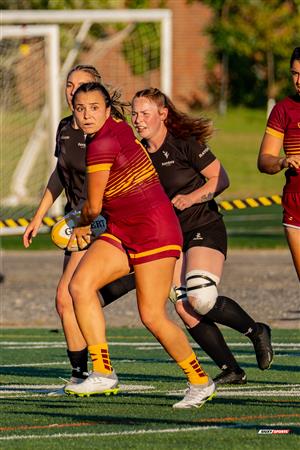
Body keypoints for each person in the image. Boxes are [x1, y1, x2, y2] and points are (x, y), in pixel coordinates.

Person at [65, 82, 217, 409]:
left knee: (151, 315)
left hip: (154, 230)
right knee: (79, 286)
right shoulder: (117, 127)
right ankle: (103, 371)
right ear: (73, 114)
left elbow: (92, 207)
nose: (87, 114)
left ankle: (200, 380)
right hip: (124, 229)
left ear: (107, 110)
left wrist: (77, 225)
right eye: (80, 108)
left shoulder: (103, 142)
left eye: (94, 107)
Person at [131, 88, 274, 384]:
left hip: (203, 227)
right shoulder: (138, 153)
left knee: (201, 297)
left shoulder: (184, 144)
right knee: (183, 307)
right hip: (170, 238)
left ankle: (256, 331)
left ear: (163, 114)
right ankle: (231, 369)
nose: (138, 120)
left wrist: (192, 197)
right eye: (134, 114)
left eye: (145, 113)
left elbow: (220, 178)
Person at [23, 65, 135, 395]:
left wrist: (87, 222)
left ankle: (93, 373)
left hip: (100, 221)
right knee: (69, 298)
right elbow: (60, 173)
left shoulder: (109, 131)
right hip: (78, 222)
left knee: (66, 296)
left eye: (82, 85)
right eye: (70, 85)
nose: (74, 91)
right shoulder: (65, 127)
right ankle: (82, 372)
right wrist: (38, 215)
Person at [258, 47, 300, 281]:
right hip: (296, 203)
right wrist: (283, 161)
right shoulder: (283, 110)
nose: (299, 81)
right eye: (295, 74)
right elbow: (264, 160)